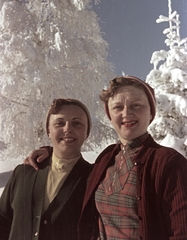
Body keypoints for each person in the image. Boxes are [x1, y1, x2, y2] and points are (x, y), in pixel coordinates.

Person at [24, 76, 187, 240]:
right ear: (110, 115)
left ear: (151, 112)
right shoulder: (107, 157)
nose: (126, 113)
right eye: (117, 107)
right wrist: (51, 153)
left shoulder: (169, 162)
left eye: (136, 105)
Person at [0, 98, 93, 240]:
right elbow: (3, 220)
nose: (68, 128)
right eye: (59, 123)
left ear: (87, 132)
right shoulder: (24, 173)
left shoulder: (94, 178)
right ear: (48, 131)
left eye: (77, 123)